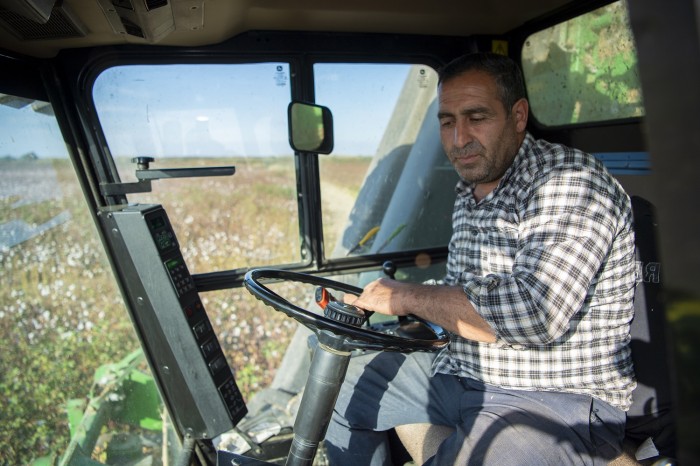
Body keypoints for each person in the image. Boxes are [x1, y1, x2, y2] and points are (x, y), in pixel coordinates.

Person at [323, 52, 637, 465]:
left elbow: (534, 313)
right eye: (447, 122)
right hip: (463, 371)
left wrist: (406, 297)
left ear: (518, 115)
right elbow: (470, 288)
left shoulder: (569, 182)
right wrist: (385, 301)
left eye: (477, 117)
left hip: (555, 398)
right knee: (341, 382)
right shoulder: (471, 189)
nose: (458, 139)